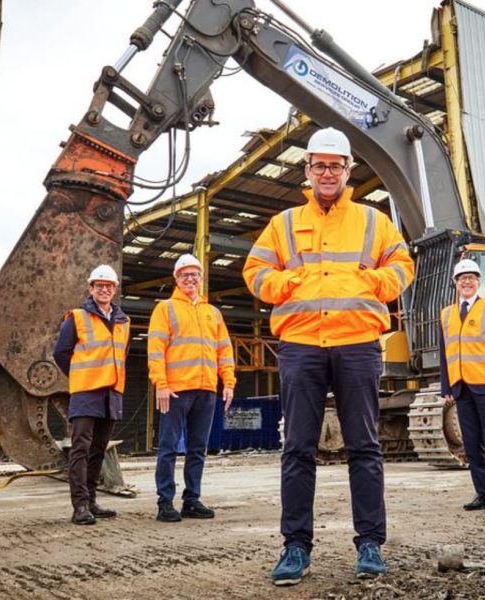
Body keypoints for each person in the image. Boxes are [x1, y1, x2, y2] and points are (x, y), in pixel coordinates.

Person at [242, 127, 414, 586]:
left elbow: (403, 266)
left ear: (347, 171)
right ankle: (295, 548)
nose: (327, 173)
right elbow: (255, 272)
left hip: (357, 343)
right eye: (319, 165)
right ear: (308, 170)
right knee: (297, 448)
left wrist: (372, 283)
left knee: (364, 447)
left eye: (335, 166)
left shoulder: (373, 221)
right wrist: (287, 285)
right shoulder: (283, 223)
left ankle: (370, 544)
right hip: (301, 345)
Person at [148, 254, 236, 522]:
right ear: (176, 278)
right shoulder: (165, 308)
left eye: (194, 274)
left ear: (201, 278)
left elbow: (224, 350)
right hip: (175, 391)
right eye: (185, 274)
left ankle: (191, 500)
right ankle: (165, 502)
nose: (190, 279)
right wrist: (160, 384)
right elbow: (155, 350)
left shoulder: (213, 313)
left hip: (206, 389)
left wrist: (228, 382)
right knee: (169, 447)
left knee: (198, 448)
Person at [52, 264, 129, 525]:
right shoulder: (77, 317)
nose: (104, 289)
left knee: (98, 449)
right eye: (99, 285)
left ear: (115, 289)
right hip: (86, 392)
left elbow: (121, 355)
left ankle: (92, 501)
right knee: (81, 449)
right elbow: (61, 353)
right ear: (91, 288)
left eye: (109, 286)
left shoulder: (123, 321)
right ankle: (80, 506)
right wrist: (79, 376)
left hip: (112, 393)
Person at [438, 258, 485, 513]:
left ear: (478, 281)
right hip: (461, 388)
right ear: (455, 284)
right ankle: (484, 493)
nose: (466, 282)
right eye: (462, 279)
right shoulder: (446, 314)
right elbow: (444, 352)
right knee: (471, 445)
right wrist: (446, 386)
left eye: (471, 278)